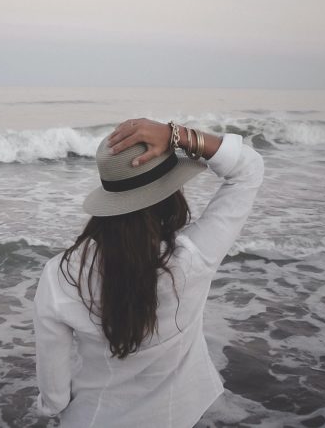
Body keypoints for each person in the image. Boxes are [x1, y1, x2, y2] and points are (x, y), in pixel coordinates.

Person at [32, 117, 264, 428]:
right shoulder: (195, 256)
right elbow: (248, 169)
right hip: (176, 416)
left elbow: (55, 397)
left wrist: (48, 407)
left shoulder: (60, 275)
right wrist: (176, 135)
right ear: (171, 195)